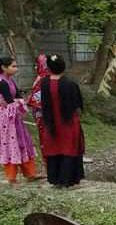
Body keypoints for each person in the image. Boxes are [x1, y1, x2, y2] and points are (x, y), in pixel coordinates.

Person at [39, 54, 85, 188]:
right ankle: (67, 180)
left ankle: (55, 179)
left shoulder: (44, 83)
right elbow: (78, 105)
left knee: (54, 149)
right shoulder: (70, 84)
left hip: (51, 123)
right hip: (68, 123)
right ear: (63, 67)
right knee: (68, 149)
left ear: (49, 68)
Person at [0, 56, 38, 183]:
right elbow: (11, 101)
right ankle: (12, 177)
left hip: (15, 117)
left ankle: (30, 173)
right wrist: (20, 102)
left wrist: (20, 101)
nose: (16, 69)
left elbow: (17, 96)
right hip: (6, 119)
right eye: (13, 66)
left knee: (23, 142)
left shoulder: (10, 80)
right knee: (11, 145)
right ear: (4, 68)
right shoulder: (2, 82)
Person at [27, 54, 51, 167]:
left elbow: (34, 100)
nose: (35, 67)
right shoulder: (52, 77)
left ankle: (49, 164)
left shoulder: (42, 79)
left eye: (36, 65)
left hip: (43, 114)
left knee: (45, 138)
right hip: (52, 114)